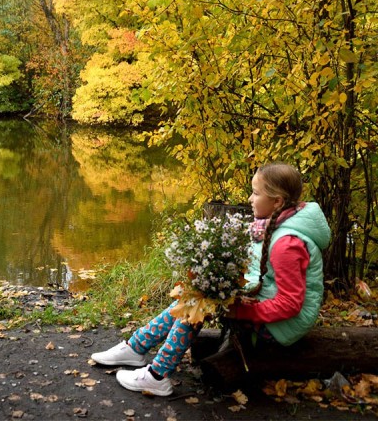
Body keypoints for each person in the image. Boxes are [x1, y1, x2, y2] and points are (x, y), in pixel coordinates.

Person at [90, 162, 331, 396]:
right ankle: (137, 347)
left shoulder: (287, 244)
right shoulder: (276, 224)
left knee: (199, 304)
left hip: (284, 325)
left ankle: (156, 374)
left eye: (256, 193)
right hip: (270, 307)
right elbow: (263, 278)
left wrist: (240, 311)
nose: (249, 198)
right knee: (197, 297)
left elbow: (290, 305)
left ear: (277, 201)